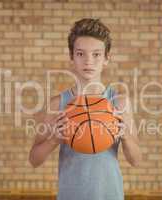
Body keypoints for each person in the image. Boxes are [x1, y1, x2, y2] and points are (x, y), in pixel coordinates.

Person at [29, 18, 142, 200]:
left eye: (96, 54)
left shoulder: (119, 103)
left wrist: (126, 136)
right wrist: (54, 139)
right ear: (72, 57)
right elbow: (34, 159)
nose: (88, 61)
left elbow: (137, 160)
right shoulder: (58, 104)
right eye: (81, 54)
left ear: (106, 58)